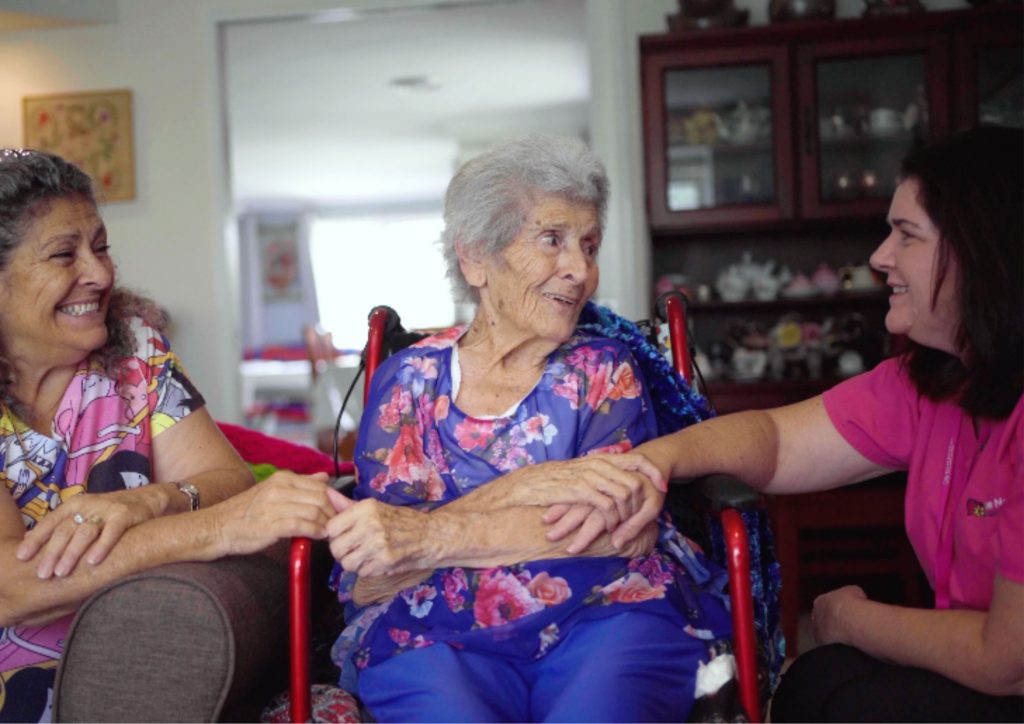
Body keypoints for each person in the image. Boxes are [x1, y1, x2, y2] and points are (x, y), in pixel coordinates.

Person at [581, 126, 1023, 722]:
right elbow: (779, 440)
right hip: (982, 667)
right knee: (811, 682)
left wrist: (846, 619)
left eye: (906, 235)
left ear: (982, 254)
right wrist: (657, 460)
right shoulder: (932, 381)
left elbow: (1005, 661)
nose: (879, 257)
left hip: (1003, 673)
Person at [323, 135, 734, 722]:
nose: (580, 270)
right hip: (434, 632)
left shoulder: (603, 370)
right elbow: (377, 566)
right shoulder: (408, 381)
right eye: (552, 239)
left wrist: (430, 538)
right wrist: (528, 488)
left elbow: (615, 534)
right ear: (475, 258)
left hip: (605, 610)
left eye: (589, 245)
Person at [0, 149, 335, 723]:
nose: (101, 274)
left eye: (101, 247)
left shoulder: (133, 349)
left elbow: (226, 477)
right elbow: (11, 584)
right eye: (64, 254)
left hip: (138, 655)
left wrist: (151, 499)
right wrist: (217, 528)